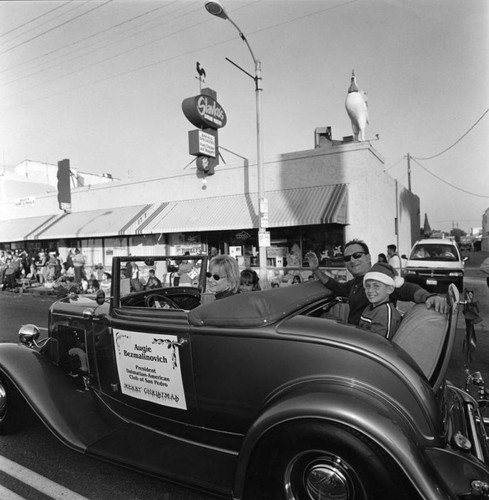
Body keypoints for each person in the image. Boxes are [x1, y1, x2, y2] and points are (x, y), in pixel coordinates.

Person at [306, 239, 448, 326]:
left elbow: (405, 288)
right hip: (355, 334)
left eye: (357, 255)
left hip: (366, 341)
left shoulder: (378, 278)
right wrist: (316, 270)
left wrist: (429, 296)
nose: (352, 260)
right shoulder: (356, 282)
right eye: (348, 258)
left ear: (368, 257)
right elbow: (337, 287)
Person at [358, 262, 403, 339]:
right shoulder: (371, 307)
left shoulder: (385, 313)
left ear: (389, 289)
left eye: (377, 286)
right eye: (368, 286)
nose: (370, 290)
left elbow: (379, 344)